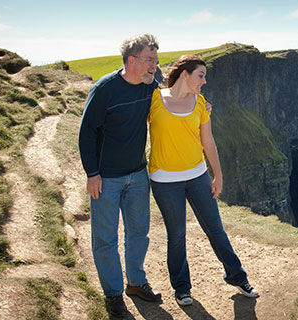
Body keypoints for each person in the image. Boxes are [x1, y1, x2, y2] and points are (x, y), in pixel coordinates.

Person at [147, 55, 259, 306]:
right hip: (164, 180)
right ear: (185, 74)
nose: (205, 81)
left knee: (215, 230)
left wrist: (217, 174)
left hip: (198, 176)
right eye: (200, 75)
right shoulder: (154, 99)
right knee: (176, 235)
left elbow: (208, 141)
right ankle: (182, 288)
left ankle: (237, 277)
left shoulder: (200, 104)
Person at [78, 34, 163, 318]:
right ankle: (113, 295)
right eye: (150, 60)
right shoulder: (105, 89)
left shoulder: (150, 84)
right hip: (107, 178)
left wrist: (203, 105)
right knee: (105, 239)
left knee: (139, 232)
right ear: (131, 60)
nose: (155, 65)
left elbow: (177, 94)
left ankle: (136, 283)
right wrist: (92, 174)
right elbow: (86, 132)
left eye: (156, 60)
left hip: (138, 174)